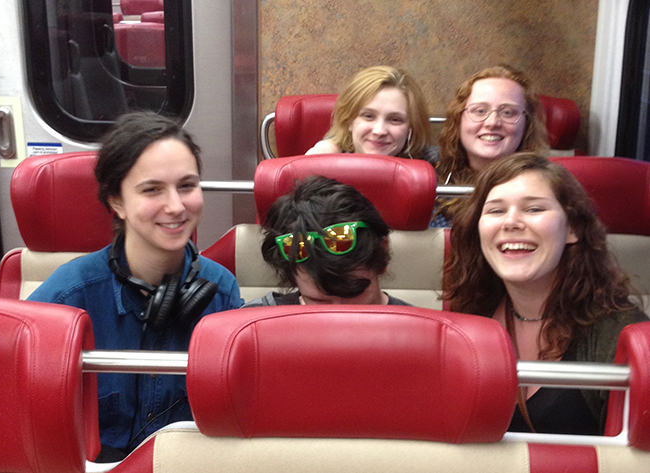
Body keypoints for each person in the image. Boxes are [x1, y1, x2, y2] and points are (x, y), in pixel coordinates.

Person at [28, 111, 243, 461]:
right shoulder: (66, 297)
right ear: (116, 201)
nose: (175, 206)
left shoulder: (220, 290)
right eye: (152, 189)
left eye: (187, 186)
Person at [443, 152, 647, 435]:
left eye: (534, 209)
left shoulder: (620, 333)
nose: (510, 222)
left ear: (572, 230)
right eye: (496, 211)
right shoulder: (469, 314)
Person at [243, 175, 410, 306]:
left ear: (383, 254)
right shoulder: (248, 331)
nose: (339, 316)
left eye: (354, 295)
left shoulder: (424, 334)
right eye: (318, 301)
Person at [432, 64, 549, 227]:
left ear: (527, 125)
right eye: (479, 111)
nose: (492, 122)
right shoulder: (427, 177)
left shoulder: (548, 187)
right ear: (458, 120)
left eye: (508, 112)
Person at [305, 65, 437, 163]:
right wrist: (317, 164)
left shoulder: (434, 168)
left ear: (411, 127)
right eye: (368, 116)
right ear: (349, 120)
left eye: (395, 120)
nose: (379, 131)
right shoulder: (324, 162)